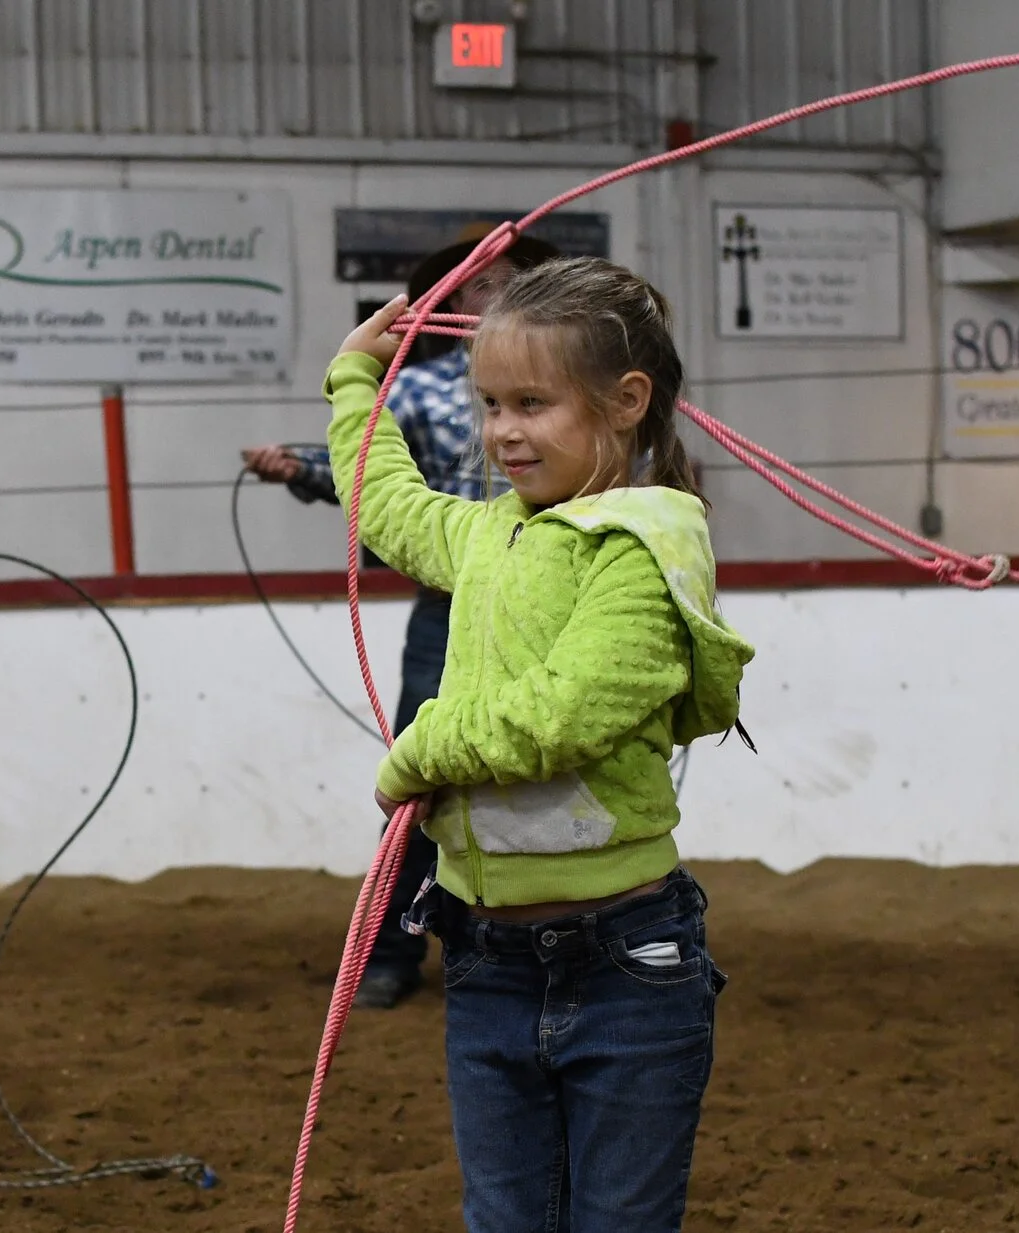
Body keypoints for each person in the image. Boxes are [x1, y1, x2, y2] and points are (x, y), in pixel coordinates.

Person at [321, 258, 756, 1232]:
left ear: (625, 401)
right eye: (490, 404)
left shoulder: (646, 546)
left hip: (627, 963)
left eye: (532, 403)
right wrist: (353, 381)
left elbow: (560, 716)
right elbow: (387, 505)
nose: (502, 431)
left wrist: (417, 753)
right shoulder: (488, 534)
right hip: (486, 960)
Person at [239, 228, 560, 1010]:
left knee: (548, 763)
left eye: (512, 279)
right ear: (453, 298)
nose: (495, 292)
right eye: (481, 282)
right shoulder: (417, 390)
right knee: (424, 774)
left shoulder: (570, 380)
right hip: (452, 602)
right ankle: (390, 950)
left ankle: (529, 942)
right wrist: (303, 469)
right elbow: (372, 475)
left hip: (554, 594)